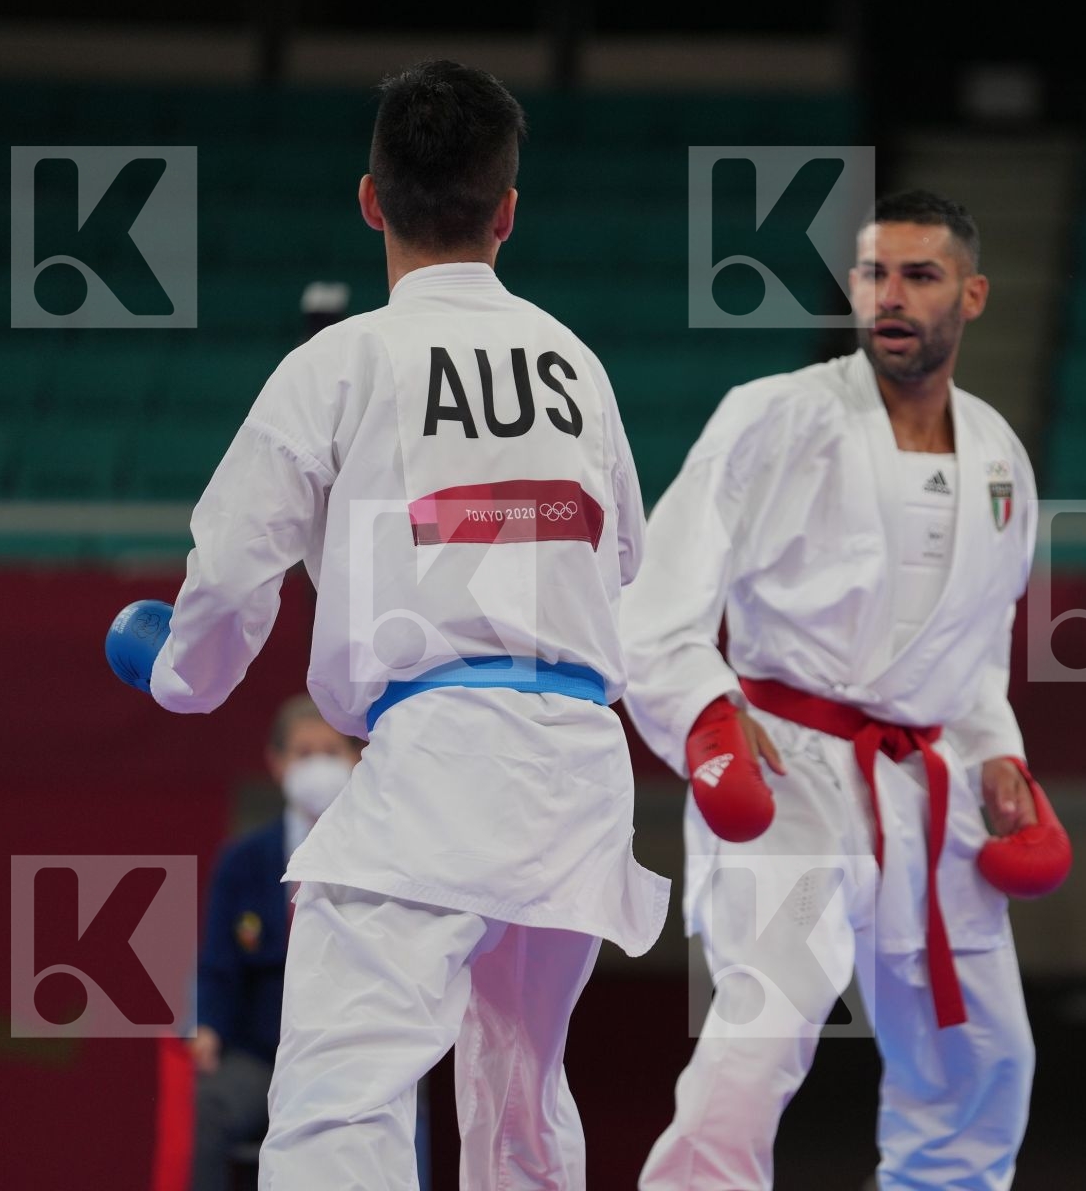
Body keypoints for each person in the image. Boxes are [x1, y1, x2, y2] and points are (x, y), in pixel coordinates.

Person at [105, 58, 667, 1191]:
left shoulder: (344, 358)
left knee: (336, 1099)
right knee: (519, 1093)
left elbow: (231, 563)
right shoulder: (579, 367)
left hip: (442, 757)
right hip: (577, 765)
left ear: (370, 201)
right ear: (508, 213)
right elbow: (628, 568)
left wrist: (177, 672)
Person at [622, 190, 1072, 1190]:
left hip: (929, 777)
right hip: (791, 766)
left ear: (974, 294)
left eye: (920, 276)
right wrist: (705, 711)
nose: (892, 297)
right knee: (764, 1029)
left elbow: (980, 644)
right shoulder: (778, 417)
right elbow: (658, 600)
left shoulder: (999, 453)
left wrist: (1000, 752)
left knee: (985, 1056)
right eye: (874, 275)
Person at [190, 695, 358, 1191]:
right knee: (206, 1106)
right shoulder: (243, 860)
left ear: (355, 758)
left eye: (331, 751)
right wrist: (207, 1028)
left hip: (350, 1057)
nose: (318, 766)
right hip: (260, 1058)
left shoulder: (377, 854)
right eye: (304, 753)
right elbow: (218, 963)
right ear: (277, 761)